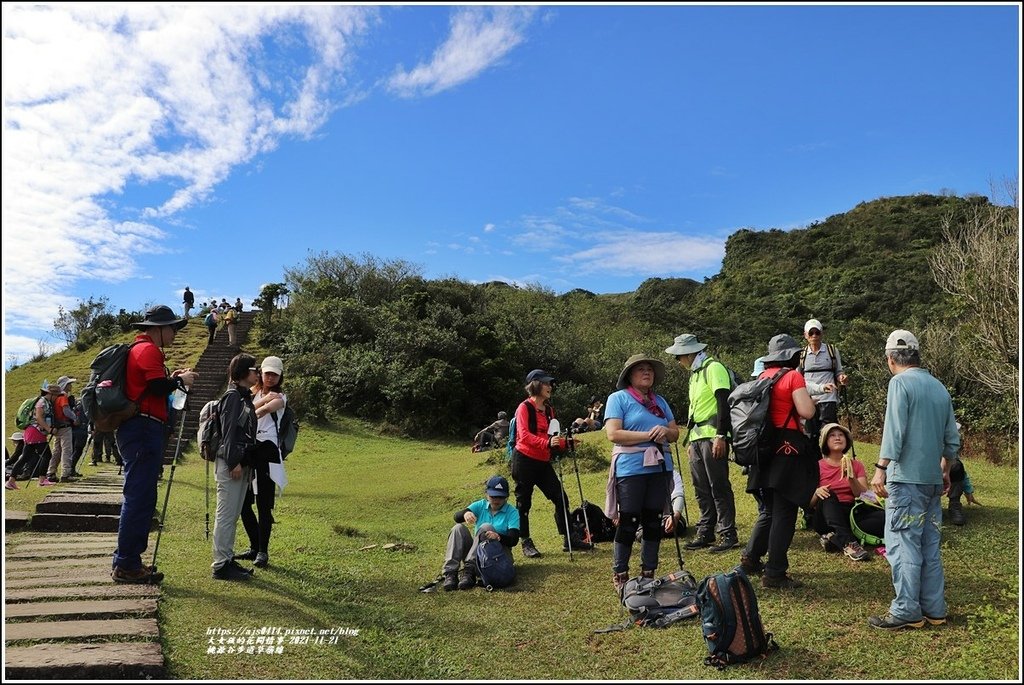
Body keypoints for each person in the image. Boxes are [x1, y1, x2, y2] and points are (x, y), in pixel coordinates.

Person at [868, 329, 960, 630]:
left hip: (905, 478)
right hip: (932, 479)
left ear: (890, 358)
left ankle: (907, 609)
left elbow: (895, 430)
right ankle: (935, 608)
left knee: (903, 543)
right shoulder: (939, 387)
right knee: (929, 544)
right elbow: (952, 440)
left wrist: (881, 467)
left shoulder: (900, 383)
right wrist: (945, 469)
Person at [112, 305, 197, 584]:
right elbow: (158, 388)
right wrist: (179, 380)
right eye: (172, 328)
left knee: (141, 495)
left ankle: (128, 560)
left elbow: (154, 386)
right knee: (139, 497)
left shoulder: (142, 350)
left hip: (142, 428)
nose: (174, 333)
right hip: (143, 428)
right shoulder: (147, 350)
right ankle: (126, 564)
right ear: (158, 328)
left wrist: (173, 379)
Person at [739, 334, 817, 589]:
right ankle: (775, 572)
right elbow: (807, 411)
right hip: (787, 446)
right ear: (792, 355)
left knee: (769, 509)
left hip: (763, 448)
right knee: (785, 511)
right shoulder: (792, 376)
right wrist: (811, 401)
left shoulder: (762, 378)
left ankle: (750, 559)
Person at [603, 354, 680, 593]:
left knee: (652, 521)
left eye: (650, 369)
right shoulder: (618, 399)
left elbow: (675, 433)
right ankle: (621, 575)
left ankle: (649, 573)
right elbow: (614, 434)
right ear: (630, 375)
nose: (647, 372)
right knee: (628, 521)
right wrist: (650, 434)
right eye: (641, 369)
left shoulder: (660, 401)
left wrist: (665, 432)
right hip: (631, 468)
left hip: (659, 466)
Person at [666, 333, 738, 553]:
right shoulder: (695, 374)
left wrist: (721, 436)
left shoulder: (713, 368)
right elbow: (695, 409)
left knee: (718, 485)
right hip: (697, 437)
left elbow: (723, 402)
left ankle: (727, 533)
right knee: (701, 487)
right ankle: (706, 531)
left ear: (689, 353)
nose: (678, 361)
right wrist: (690, 438)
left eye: (679, 356)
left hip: (712, 435)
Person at [510, 368, 592, 559]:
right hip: (524, 460)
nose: (550, 386)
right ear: (536, 385)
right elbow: (524, 436)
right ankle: (526, 542)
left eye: (550, 383)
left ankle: (568, 538)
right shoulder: (524, 407)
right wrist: (547, 443)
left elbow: (551, 438)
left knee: (560, 497)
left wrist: (566, 444)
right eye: (546, 383)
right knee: (524, 502)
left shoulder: (549, 410)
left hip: (542, 461)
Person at [236, 356, 289, 569]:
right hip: (249, 448)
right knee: (243, 502)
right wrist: (262, 400)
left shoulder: (281, 397)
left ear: (280, 376)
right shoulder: (254, 392)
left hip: (267, 449)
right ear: (260, 373)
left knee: (264, 504)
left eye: (275, 374)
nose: (270, 377)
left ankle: (263, 551)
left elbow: (257, 413)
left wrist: (257, 405)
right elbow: (246, 410)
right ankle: (254, 545)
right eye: (267, 373)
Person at [212, 353, 260, 581]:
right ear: (242, 372)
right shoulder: (233, 398)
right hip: (232, 463)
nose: (258, 373)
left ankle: (227, 558)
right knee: (226, 514)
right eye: (254, 369)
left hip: (241, 463)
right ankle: (221, 564)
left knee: (231, 515)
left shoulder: (244, 398)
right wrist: (234, 462)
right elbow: (229, 433)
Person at [440, 474, 521, 591]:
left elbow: (513, 540)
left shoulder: (512, 512)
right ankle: (450, 573)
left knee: (486, 526)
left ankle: (470, 570)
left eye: (500, 497)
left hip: (498, 556)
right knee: (458, 528)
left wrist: (498, 537)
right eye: (493, 496)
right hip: (478, 553)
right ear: (487, 494)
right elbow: (457, 517)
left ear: (507, 497)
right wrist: (465, 513)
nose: (497, 500)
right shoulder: (480, 505)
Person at [810, 423, 871, 561]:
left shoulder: (856, 465)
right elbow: (807, 503)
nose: (837, 438)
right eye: (832, 435)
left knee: (882, 517)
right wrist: (816, 492)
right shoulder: (817, 466)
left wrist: (851, 478)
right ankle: (849, 543)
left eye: (841, 435)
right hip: (825, 516)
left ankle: (834, 538)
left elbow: (863, 495)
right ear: (825, 441)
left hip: (850, 512)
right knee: (828, 493)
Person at [800, 319, 848, 444]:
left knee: (828, 431)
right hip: (809, 399)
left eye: (817, 332)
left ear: (822, 334)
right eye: (811, 333)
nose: (814, 336)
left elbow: (838, 371)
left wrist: (842, 377)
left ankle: (828, 459)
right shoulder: (802, 355)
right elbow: (798, 377)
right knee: (810, 432)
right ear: (806, 335)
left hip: (829, 398)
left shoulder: (832, 351)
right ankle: (813, 460)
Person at [5, 383, 61, 490]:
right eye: (57, 395)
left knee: (25, 457)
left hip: (32, 432)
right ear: (52, 394)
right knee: (46, 455)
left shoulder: (44, 401)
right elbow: (39, 418)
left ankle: (11, 481)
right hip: (36, 432)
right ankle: (41, 480)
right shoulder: (42, 402)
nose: (57, 398)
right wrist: (49, 429)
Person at [46, 375, 78, 483]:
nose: (71, 386)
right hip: (65, 426)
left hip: (56, 426)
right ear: (65, 385)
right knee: (66, 450)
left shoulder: (54, 398)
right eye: (69, 384)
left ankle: (51, 472)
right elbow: (66, 411)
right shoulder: (63, 396)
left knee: (57, 450)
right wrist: (75, 418)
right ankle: (65, 474)